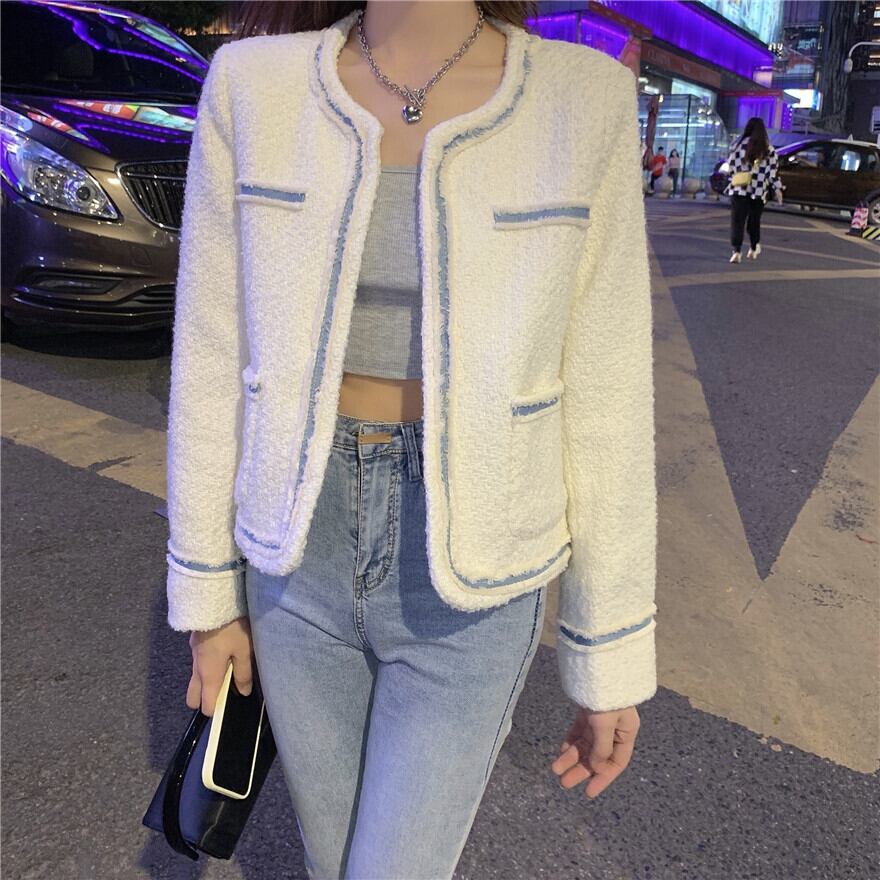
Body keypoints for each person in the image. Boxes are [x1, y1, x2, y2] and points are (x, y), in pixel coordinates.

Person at [165, 2, 658, 877]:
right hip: (295, 558)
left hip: (473, 581)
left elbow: (607, 387)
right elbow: (211, 354)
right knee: (333, 861)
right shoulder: (252, 87)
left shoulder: (584, 99)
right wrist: (208, 596)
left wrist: (608, 650)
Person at [724, 115, 783, 263]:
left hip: (739, 189)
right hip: (758, 191)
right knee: (754, 221)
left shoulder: (738, 147)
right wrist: (777, 189)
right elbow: (772, 173)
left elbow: (731, 167)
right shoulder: (768, 150)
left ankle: (736, 252)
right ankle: (753, 247)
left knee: (737, 221)